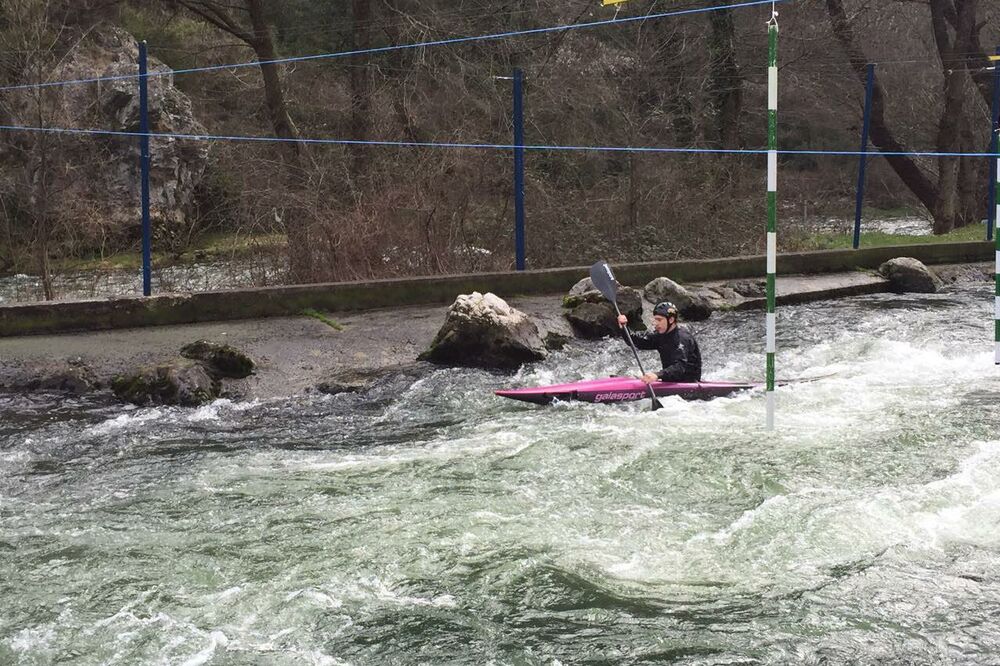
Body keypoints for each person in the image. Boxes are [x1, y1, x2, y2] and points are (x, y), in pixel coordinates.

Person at [617, 301, 702, 384]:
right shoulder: (660, 335)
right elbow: (635, 342)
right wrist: (624, 328)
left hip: (688, 383)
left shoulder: (683, 338)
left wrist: (657, 375)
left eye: (659, 320)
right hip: (670, 381)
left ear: (671, 320)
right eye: (655, 319)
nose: (655, 323)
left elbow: (679, 367)